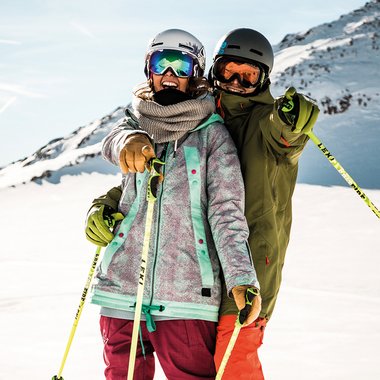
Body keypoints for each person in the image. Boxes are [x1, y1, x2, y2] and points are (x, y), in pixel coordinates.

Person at [87, 28, 320, 379]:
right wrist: (104, 207)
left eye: (249, 75)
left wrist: (292, 124)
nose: (237, 82)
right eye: (229, 71)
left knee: (233, 367)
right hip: (133, 286)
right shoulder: (146, 123)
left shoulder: (234, 128)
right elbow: (129, 173)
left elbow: (281, 139)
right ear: (213, 72)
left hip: (222, 277)